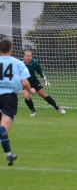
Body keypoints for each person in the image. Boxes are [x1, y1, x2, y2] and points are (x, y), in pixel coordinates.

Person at [0, 38, 36, 166]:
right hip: (9, 98)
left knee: (2, 130)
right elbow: (25, 82)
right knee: (3, 129)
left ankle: (9, 156)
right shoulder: (17, 63)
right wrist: (29, 90)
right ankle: (9, 156)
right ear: (11, 49)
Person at [21, 50, 66, 116]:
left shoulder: (34, 63)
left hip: (34, 81)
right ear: (24, 56)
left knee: (43, 95)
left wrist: (45, 79)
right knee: (26, 97)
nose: (29, 57)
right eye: (27, 56)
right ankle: (33, 111)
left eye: (30, 56)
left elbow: (40, 71)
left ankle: (57, 108)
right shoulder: (20, 64)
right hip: (24, 82)